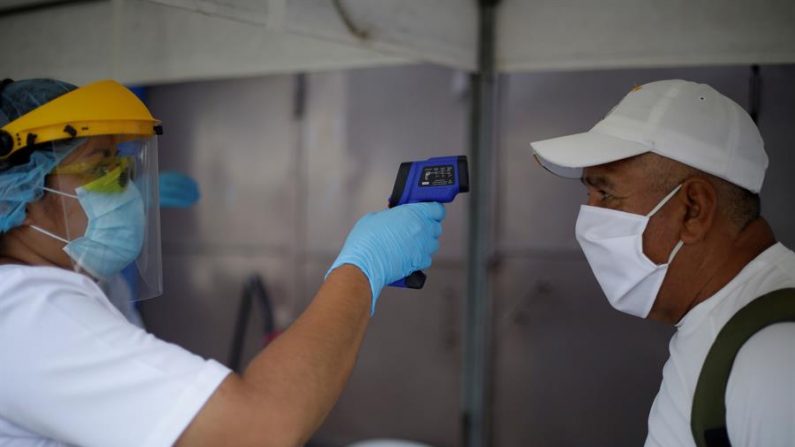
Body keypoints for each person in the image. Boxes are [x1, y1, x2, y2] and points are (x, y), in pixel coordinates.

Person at [0, 78, 446, 446]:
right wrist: (363, 267)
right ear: (21, 194)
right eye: (101, 169)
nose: (127, 188)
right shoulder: (25, 311)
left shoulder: (68, 287)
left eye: (125, 169)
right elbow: (256, 429)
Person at [530, 79, 795, 446]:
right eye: (588, 193)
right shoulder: (722, 322)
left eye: (606, 194)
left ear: (693, 210)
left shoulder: (776, 356)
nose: (587, 221)